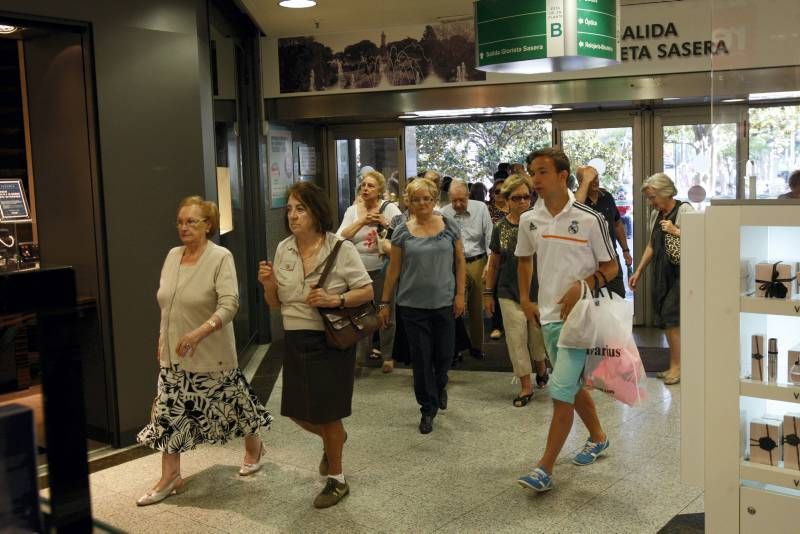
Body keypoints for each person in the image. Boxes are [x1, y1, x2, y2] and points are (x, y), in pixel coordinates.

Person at [136, 196, 272, 506]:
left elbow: (230, 304)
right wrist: (162, 340)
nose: (183, 227)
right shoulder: (172, 256)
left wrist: (199, 333)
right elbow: (166, 304)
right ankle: (171, 476)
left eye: (191, 221)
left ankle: (254, 446)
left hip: (212, 353)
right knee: (168, 412)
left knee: (234, 404)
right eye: (180, 221)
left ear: (208, 225)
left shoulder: (220, 257)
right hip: (174, 356)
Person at [259, 181, 373, 509]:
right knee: (295, 411)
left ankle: (336, 479)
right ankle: (333, 439)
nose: (293, 216)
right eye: (290, 210)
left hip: (329, 340)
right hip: (295, 338)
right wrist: (268, 284)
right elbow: (275, 304)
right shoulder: (284, 249)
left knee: (328, 413)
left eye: (301, 209)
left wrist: (334, 297)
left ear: (316, 212)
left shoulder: (339, 247)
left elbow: (366, 291)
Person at [515, 147, 618, 493]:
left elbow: (611, 267)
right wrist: (527, 300)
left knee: (560, 392)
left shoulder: (590, 218)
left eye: (542, 172)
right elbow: (524, 260)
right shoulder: (530, 219)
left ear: (562, 176)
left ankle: (544, 468)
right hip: (548, 318)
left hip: (582, 320)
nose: (535, 179)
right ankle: (599, 437)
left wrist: (582, 287)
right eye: (532, 172)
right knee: (571, 388)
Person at [379, 178, 466, 434]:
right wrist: (384, 302)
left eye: (426, 198)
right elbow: (393, 271)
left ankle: (440, 385)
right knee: (421, 359)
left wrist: (460, 295)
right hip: (411, 306)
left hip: (444, 303)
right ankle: (427, 409)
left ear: (434, 199)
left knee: (444, 355)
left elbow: (460, 262)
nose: (422, 203)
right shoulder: (402, 231)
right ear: (409, 202)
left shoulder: (449, 226)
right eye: (416, 199)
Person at [484, 174, 549, 407]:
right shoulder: (500, 228)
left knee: (537, 337)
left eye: (527, 197)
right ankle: (525, 386)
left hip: (538, 292)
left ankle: (541, 368)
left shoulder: (541, 223)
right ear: (506, 200)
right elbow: (493, 262)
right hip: (508, 291)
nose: (523, 202)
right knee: (516, 338)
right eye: (517, 198)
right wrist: (487, 293)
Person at [629, 173, 693, 385]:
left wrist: (675, 230)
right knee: (667, 321)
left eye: (652, 197)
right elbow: (651, 245)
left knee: (672, 319)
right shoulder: (656, 215)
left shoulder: (684, 210)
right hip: (661, 273)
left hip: (679, 274)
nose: (650, 202)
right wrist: (638, 271)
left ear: (665, 193)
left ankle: (678, 367)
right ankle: (675, 364)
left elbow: (698, 238)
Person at [337, 170, 402, 374]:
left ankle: (388, 356)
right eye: (363, 185)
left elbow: (402, 234)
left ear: (380, 190)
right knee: (360, 315)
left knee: (385, 311)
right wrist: (362, 222)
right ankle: (359, 358)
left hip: (383, 268)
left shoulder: (390, 209)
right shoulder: (352, 211)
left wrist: (384, 223)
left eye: (370, 186)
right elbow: (341, 236)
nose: (365, 188)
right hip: (358, 271)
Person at [441, 178, 492, 361]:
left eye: (461, 200)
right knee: (454, 307)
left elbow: (489, 238)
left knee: (476, 308)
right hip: (453, 263)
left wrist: (489, 263)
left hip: (477, 260)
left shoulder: (481, 208)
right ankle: (455, 348)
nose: (458, 204)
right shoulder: (443, 213)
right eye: (454, 200)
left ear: (468, 196)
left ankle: (477, 346)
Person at [574, 165, 633, 297]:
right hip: (587, 263)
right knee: (592, 307)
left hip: (611, 258)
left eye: (596, 177)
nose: (595, 181)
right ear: (580, 182)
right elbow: (574, 211)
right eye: (590, 179)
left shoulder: (607, 197)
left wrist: (625, 250)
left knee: (618, 300)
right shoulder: (576, 201)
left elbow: (617, 224)